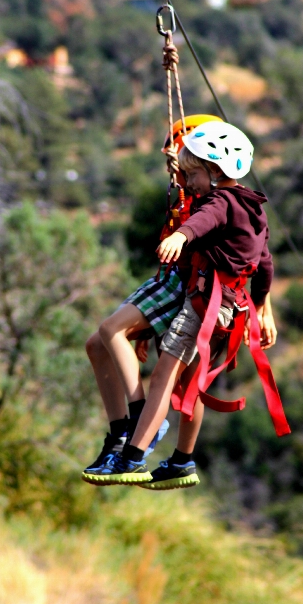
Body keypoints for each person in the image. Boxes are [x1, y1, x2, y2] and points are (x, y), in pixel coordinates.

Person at [83, 121, 279, 486]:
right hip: (229, 307)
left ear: (216, 171)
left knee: (164, 377)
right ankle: (180, 462)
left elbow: (205, 218)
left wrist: (181, 235)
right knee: (190, 383)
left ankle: (131, 457)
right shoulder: (253, 209)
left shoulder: (220, 201)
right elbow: (265, 264)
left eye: (194, 175)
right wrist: (261, 304)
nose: (188, 183)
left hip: (205, 303)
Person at [82, 116, 223, 479]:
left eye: (181, 162)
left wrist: (263, 304)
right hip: (173, 278)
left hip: (189, 286)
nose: (175, 169)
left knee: (179, 374)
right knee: (98, 344)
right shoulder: (187, 190)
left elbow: (252, 248)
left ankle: (140, 424)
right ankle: (122, 435)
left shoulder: (211, 197)